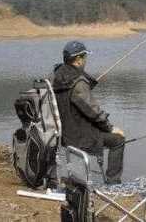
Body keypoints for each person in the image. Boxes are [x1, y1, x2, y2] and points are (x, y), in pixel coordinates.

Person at [53, 41, 125, 184]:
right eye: (85, 57)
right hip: (79, 136)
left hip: (65, 133)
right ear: (79, 59)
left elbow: (74, 95)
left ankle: (79, 175)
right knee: (118, 140)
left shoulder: (57, 75)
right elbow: (93, 112)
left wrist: (87, 84)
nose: (86, 60)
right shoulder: (79, 83)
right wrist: (110, 128)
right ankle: (113, 183)